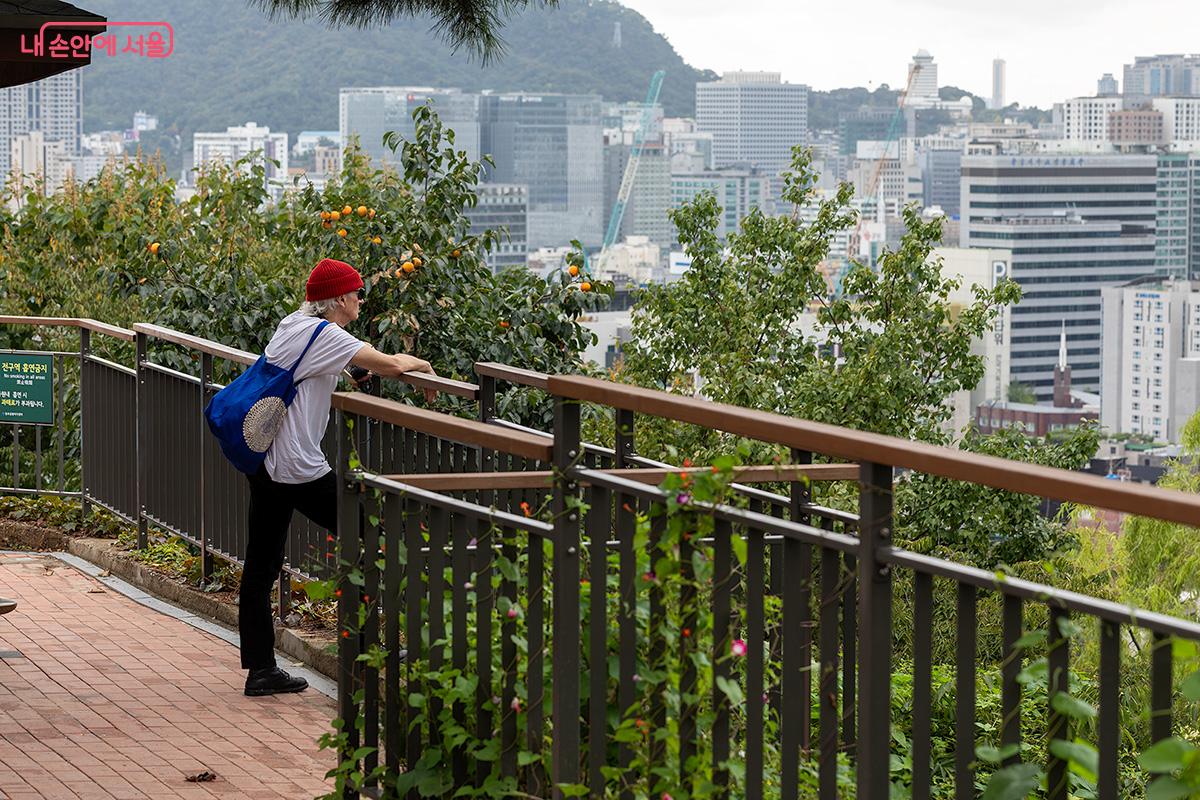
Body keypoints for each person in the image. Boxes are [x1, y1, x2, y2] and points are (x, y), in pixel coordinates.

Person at [241, 257, 436, 696]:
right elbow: (387, 364)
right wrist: (421, 364)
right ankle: (368, 648)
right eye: (357, 294)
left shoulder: (296, 323)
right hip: (297, 467)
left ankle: (261, 669)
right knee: (375, 537)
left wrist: (362, 368)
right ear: (341, 299)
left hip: (267, 461)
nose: (361, 300)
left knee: (261, 565)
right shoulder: (325, 334)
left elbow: (349, 366)